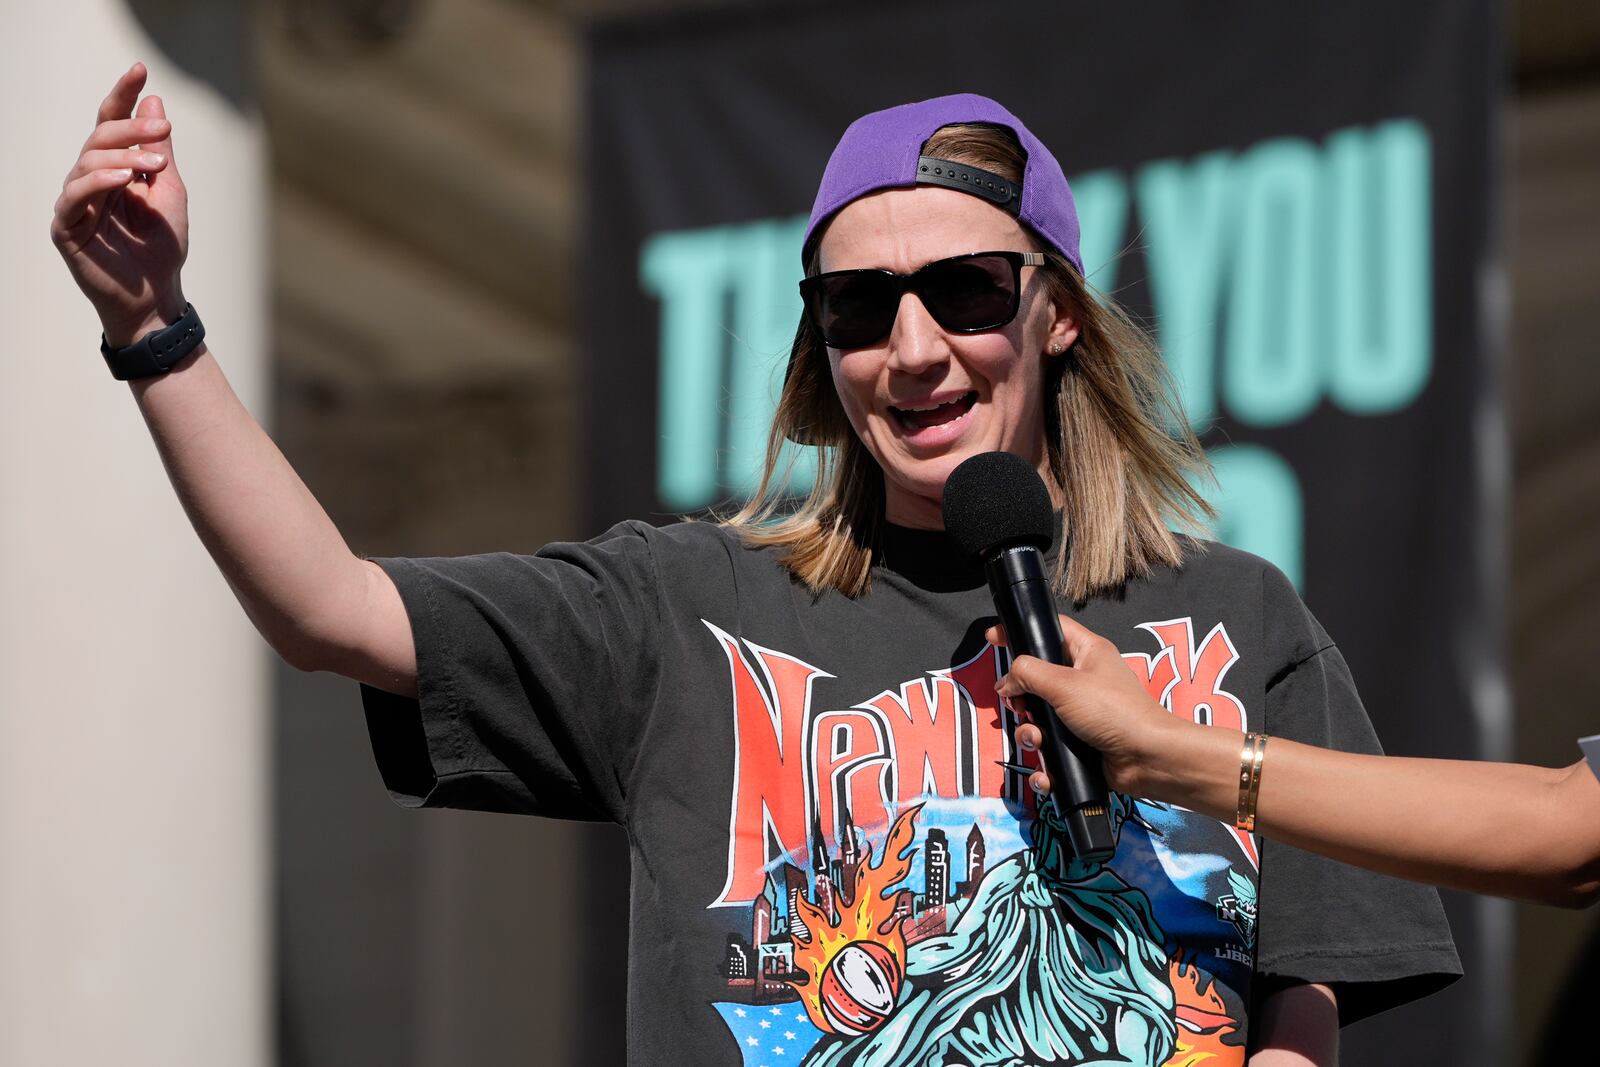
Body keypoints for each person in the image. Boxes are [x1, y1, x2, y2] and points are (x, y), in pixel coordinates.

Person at [54, 64, 1461, 1066]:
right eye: (861, 308)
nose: (913, 348)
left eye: (964, 291)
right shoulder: (687, 604)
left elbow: (1308, 976)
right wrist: (154, 327)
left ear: (1059, 318)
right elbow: (331, 607)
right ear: (821, 350)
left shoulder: (1237, 614)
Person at [994, 616, 1600, 910]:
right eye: (889, 352)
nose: (917, 357)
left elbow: (1573, 833)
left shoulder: (1251, 598)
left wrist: (1161, 749)